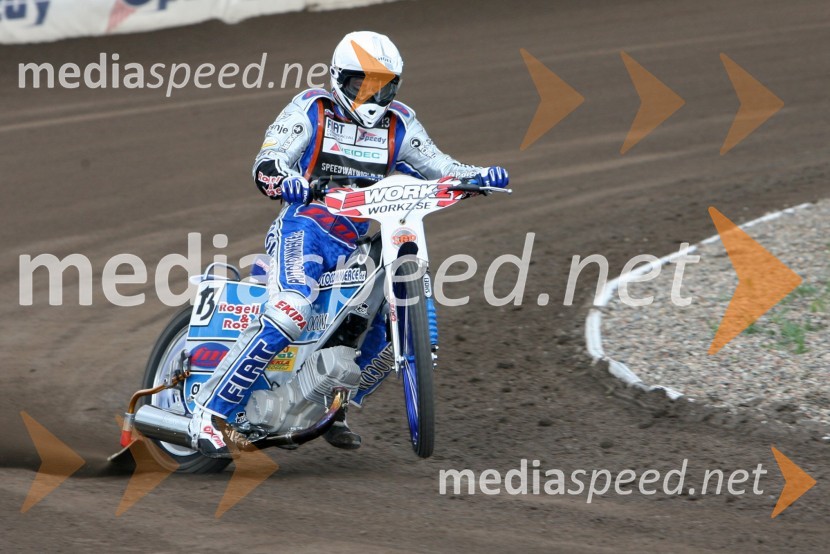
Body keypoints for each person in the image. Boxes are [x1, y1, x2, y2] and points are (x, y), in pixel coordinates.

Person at [188, 30, 509, 457]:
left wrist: (480, 176)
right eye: (364, 83)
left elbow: (441, 167)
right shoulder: (312, 108)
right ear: (339, 76)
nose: (375, 95)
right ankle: (209, 413)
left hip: (359, 243)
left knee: (387, 324)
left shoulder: (401, 122)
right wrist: (286, 180)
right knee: (290, 311)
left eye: (385, 84)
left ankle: (333, 406)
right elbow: (269, 159)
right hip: (305, 230)